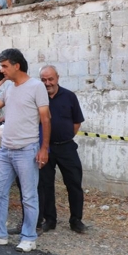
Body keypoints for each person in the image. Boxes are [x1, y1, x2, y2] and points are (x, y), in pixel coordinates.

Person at [0, 48, 50, 253]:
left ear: (17, 65)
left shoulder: (36, 86)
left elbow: (45, 119)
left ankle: (29, 237)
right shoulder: (8, 88)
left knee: (28, 196)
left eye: (5, 66)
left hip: (27, 149)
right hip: (6, 149)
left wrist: (44, 148)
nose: (2, 70)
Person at [38, 65, 86, 234]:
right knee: (45, 184)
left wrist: (64, 137)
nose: (47, 83)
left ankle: (76, 220)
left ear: (57, 77)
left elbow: (77, 122)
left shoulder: (69, 96)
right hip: (45, 148)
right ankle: (50, 220)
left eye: (50, 79)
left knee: (74, 183)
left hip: (66, 147)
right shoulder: (38, 98)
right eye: (43, 80)